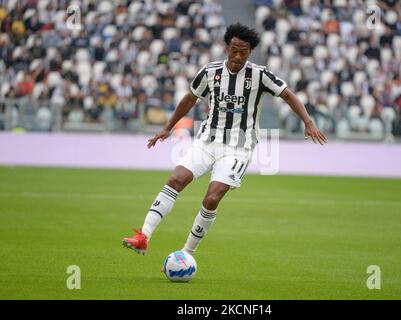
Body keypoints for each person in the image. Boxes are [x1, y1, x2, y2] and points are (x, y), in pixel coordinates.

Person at [122, 23, 327, 255]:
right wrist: (168, 127)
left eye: (244, 51)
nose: (238, 55)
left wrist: (308, 121)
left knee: (212, 198)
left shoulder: (259, 75)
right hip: (207, 140)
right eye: (234, 50)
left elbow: (288, 95)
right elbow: (190, 98)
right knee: (176, 180)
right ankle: (144, 236)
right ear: (227, 47)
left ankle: (186, 254)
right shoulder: (211, 72)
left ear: (250, 52)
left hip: (239, 148)